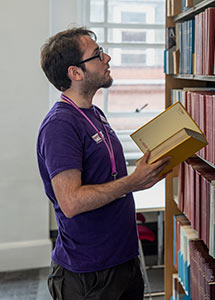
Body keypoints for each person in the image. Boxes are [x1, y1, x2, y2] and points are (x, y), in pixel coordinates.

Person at [37, 27, 170, 300]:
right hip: (89, 273)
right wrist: (133, 181)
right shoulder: (60, 125)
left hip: (123, 260)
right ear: (75, 73)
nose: (107, 57)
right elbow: (71, 201)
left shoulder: (94, 113)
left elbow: (106, 175)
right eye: (97, 54)